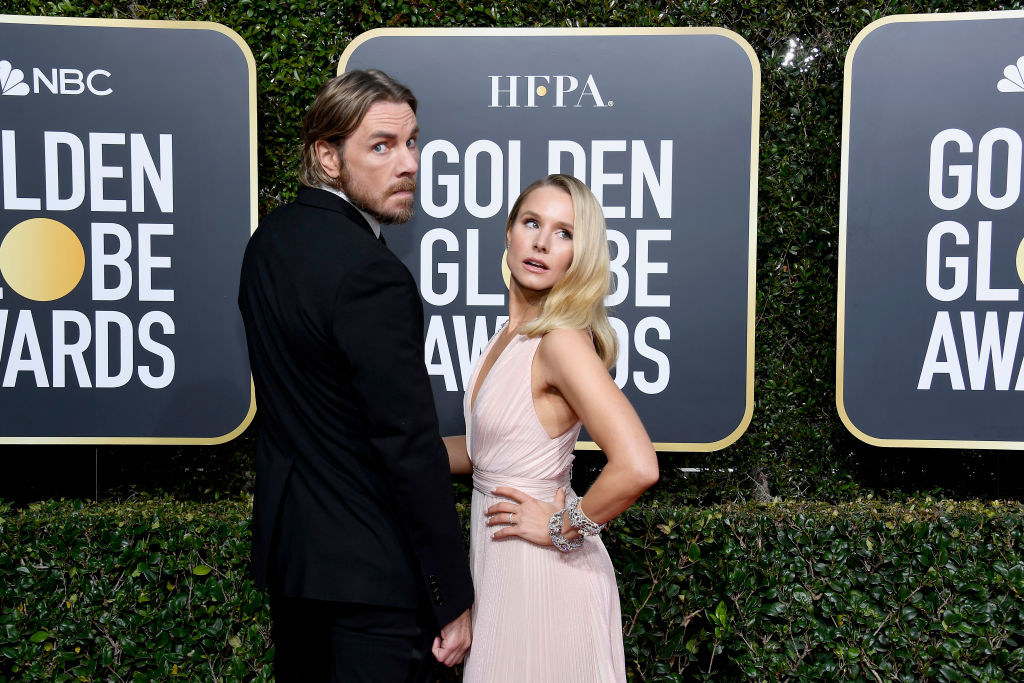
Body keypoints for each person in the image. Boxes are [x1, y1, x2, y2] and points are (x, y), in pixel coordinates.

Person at [238, 69, 473, 682]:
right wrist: (451, 597)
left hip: (296, 571)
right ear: (327, 155)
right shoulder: (373, 274)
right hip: (374, 582)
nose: (409, 164)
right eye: (381, 146)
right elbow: (405, 445)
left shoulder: (268, 243)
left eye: (413, 142)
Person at [444, 174, 660, 681]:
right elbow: (489, 453)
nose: (542, 241)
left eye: (565, 233)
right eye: (532, 222)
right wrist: (396, 452)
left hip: (544, 577)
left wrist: (564, 527)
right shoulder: (510, 334)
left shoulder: (561, 342)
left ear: (579, 257)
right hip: (501, 573)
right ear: (509, 232)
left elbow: (637, 465)